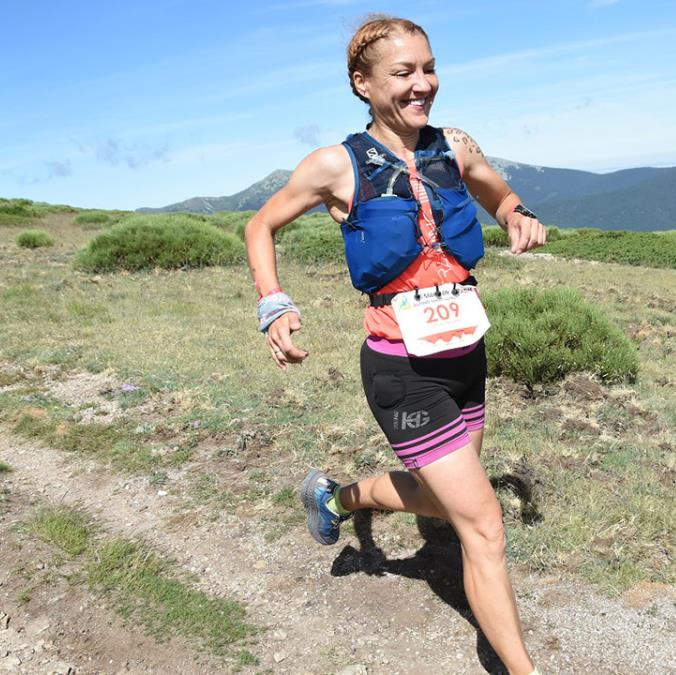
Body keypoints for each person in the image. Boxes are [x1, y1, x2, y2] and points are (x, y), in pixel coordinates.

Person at [245, 15, 546, 675]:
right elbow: (260, 225)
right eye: (404, 73)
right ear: (363, 82)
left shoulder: (455, 145)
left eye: (429, 68)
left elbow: (499, 193)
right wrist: (275, 303)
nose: (423, 85)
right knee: (483, 524)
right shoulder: (336, 164)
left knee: (444, 501)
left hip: (467, 356)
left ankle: (336, 497)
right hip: (401, 369)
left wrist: (517, 215)